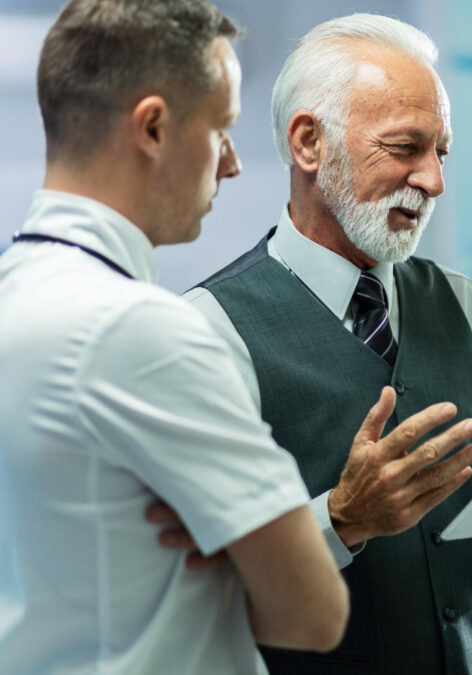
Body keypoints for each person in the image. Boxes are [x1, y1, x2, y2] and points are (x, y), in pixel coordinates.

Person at [180, 14, 472, 674]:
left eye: (441, 152)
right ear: (308, 143)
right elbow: (192, 581)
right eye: (406, 147)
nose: (433, 180)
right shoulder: (206, 331)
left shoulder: (467, 306)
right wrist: (343, 517)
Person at [0, 1, 352, 672]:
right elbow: (313, 608)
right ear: (154, 127)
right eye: (222, 128)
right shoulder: (142, 332)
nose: (233, 163)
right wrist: (228, 556)